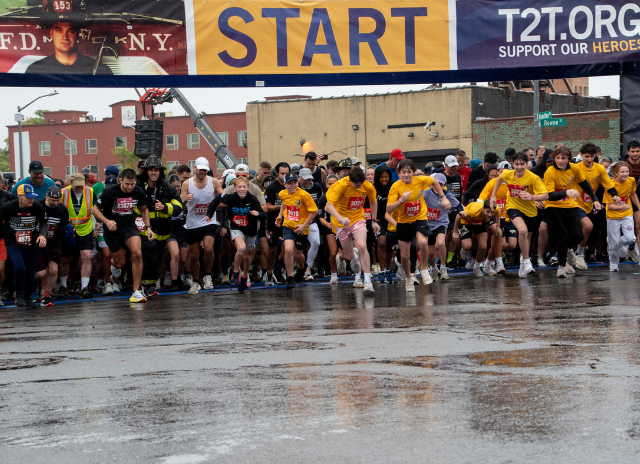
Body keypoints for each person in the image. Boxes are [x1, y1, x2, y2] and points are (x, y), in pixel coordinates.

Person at [386, 159, 451, 292]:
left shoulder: (420, 180)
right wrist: (401, 200)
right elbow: (388, 209)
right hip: (404, 221)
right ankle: (409, 278)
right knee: (405, 256)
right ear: (399, 173)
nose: (406, 175)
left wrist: (443, 197)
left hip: (419, 218)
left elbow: (434, 182)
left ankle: (424, 270)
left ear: (413, 172)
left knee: (422, 242)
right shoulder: (395, 186)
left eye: (409, 172)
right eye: (403, 172)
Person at [92, 169, 153, 303]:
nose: (130, 187)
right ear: (120, 180)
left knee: (137, 253)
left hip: (129, 226)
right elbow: (95, 209)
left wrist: (148, 227)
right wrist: (107, 221)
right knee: (120, 264)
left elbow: (144, 209)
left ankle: (136, 291)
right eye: (127, 184)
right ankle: (113, 264)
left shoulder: (138, 191)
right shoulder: (110, 191)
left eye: (132, 184)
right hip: (112, 229)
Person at [543, 147, 599, 278]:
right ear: (554, 159)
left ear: (569, 159)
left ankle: (568, 249)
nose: (560, 161)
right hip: (553, 206)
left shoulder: (574, 168)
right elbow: (549, 195)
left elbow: (584, 183)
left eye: (563, 158)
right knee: (562, 237)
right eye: (558, 158)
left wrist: (595, 199)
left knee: (578, 234)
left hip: (570, 205)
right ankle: (562, 267)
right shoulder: (550, 171)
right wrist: (566, 192)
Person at [490, 152, 549, 278]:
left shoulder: (533, 177)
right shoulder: (508, 174)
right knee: (522, 231)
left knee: (527, 238)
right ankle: (527, 262)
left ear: (527, 164)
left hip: (530, 210)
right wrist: (493, 195)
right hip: (513, 206)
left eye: (522, 164)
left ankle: (523, 262)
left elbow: (545, 195)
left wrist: (532, 197)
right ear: (513, 164)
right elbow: (499, 179)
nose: (519, 167)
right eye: (517, 164)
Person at [325, 166, 379, 294]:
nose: (359, 187)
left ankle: (367, 281)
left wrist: (374, 220)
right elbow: (328, 206)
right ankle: (343, 257)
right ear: (350, 180)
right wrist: (340, 218)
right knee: (349, 255)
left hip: (358, 219)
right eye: (356, 185)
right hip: (341, 221)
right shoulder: (340, 186)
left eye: (361, 184)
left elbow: (373, 201)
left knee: (362, 246)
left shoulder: (367, 186)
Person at [207, 176, 265, 292]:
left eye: (244, 187)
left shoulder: (252, 199)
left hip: (250, 229)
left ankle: (244, 275)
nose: (242, 189)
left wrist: (257, 214)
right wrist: (209, 214)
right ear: (235, 188)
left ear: (247, 187)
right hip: (236, 227)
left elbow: (263, 215)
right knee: (241, 248)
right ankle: (235, 272)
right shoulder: (230, 197)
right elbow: (217, 199)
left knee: (247, 256)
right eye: (239, 187)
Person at [136, 156, 183, 293]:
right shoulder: (139, 186)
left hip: (162, 232)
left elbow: (178, 206)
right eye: (151, 170)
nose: (153, 172)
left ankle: (149, 285)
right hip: (143, 231)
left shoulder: (167, 188)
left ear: (160, 172)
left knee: (157, 259)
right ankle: (142, 286)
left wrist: (165, 207)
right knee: (146, 255)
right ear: (146, 171)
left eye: (156, 170)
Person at [180, 157, 224, 294]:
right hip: (193, 223)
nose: (203, 172)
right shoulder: (187, 184)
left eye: (205, 170)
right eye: (200, 170)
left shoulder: (213, 181)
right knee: (194, 255)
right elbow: (180, 201)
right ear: (195, 168)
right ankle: (195, 281)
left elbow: (223, 196)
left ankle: (208, 275)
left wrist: (222, 198)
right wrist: (185, 200)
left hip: (208, 220)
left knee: (209, 248)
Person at [0, 184, 48, 308]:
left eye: (32, 197)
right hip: (13, 242)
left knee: (31, 271)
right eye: (28, 197)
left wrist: (42, 235)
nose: (31, 200)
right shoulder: (7, 207)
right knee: (20, 267)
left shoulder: (37, 207)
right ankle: (19, 294)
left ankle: (27, 297)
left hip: (30, 243)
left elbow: (44, 222)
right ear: (19, 196)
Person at [573, 143, 619, 269]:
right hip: (574, 203)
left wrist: (614, 195)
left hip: (590, 203)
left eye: (591, 156)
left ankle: (573, 254)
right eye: (586, 156)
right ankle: (578, 254)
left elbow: (608, 183)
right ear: (581, 155)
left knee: (585, 230)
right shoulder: (575, 168)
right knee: (587, 226)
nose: (589, 159)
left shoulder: (599, 168)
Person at [275, 173, 318, 289]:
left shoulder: (304, 195)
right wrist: (280, 216)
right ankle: (289, 277)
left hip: (301, 228)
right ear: (285, 184)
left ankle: (301, 268)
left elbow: (314, 211)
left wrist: (304, 225)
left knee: (298, 254)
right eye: (290, 183)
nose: (292, 185)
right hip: (288, 225)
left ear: (298, 183)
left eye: (294, 183)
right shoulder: (282, 193)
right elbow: (284, 202)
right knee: (288, 249)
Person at [26, 21, 113, 75]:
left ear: (77, 34)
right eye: (59, 31)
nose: (65, 37)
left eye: (71, 31)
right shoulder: (35, 70)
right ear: (51, 33)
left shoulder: (101, 70)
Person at [58, 173, 96, 299]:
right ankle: (63, 286)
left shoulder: (90, 191)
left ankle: (84, 287)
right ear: (71, 183)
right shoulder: (63, 193)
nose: (79, 188)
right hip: (68, 231)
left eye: (81, 186)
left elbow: (96, 209)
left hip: (85, 229)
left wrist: (96, 225)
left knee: (87, 256)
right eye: (77, 186)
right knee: (65, 259)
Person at [35, 186, 68, 307]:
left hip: (54, 242)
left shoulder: (62, 209)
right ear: (47, 196)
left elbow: (64, 224)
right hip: (38, 242)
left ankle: (46, 296)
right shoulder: (38, 206)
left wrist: (69, 229)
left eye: (58, 200)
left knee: (54, 271)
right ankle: (29, 289)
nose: (55, 203)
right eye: (52, 200)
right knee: (40, 273)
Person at [603, 162, 640, 271]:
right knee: (613, 245)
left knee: (630, 238)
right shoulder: (610, 185)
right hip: (612, 216)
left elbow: (633, 194)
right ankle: (614, 264)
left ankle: (616, 243)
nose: (625, 174)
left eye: (627, 171)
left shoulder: (631, 181)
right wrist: (622, 207)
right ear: (616, 173)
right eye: (622, 172)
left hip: (627, 214)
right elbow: (610, 206)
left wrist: (639, 207)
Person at [425, 173, 461, 280]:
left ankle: (443, 268)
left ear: (444, 185)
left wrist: (462, 212)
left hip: (441, 223)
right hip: (428, 224)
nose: (438, 186)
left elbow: (458, 206)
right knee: (431, 251)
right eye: (436, 184)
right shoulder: (426, 193)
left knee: (441, 243)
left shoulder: (447, 195)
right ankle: (433, 268)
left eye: (441, 184)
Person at [453, 200, 501, 277]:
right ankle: (465, 245)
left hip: (479, 221)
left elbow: (498, 213)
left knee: (483, 247)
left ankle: (476, 267)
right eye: (487, 212)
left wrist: (498, 227)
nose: (490, 214)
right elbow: (458, 216)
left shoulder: (496, 208)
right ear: (483, 208)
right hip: (466, 221)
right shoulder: (473, 211)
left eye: (492, 212)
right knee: (467, 246)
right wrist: (455, 231)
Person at [263, 162, 290, 286]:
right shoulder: (272, 187)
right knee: (272, 250)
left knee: (287, 249)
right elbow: (267, 207)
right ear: (277, 173)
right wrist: (281, 207)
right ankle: (269, 271)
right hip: (273, 221)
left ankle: (279, 268)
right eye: (282, 173)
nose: (284, 176)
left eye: (286, 173)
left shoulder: (293, 186)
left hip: (288, 222)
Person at [298, 167, 323, 279]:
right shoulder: (296, 188)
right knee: (297, 246)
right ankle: (298, 267)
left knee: (316, 242)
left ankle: (308, 267)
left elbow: (319, 202)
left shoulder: (316, 187)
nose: (308, 181)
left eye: (309, 179)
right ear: (300, 177)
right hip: (298, 221)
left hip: (312, 220)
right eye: (305, 179)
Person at [166, 174, 189, 291]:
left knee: (183, 259)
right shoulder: (167, 197)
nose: (176, 189)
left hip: (183, 230)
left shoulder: (185, 196)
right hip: (171, 231)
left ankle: (180, 277)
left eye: (178, 186)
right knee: (175, 255)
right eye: (173, 187)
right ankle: (174, 280)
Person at [317, 175, 340, 283]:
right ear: (326, 184)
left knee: (343, 254)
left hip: (342, 226)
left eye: (334, 183)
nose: (332, 185)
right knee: (333, 252)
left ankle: (344, 267)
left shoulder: (342, 195)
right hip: (330, 227)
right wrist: (327, 224)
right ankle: (333, 274)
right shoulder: (323, 198)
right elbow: (320, 217)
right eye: (329, 183)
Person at [374, 162, 393, 283]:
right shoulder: (373, 188)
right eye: (381, 177)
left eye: (386, 176)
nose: (384, 179)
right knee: (381, 243)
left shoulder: (393, 186)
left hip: (391, 218)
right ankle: (381, 271)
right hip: (379, 219)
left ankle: (388, 269)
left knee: (390, 245)